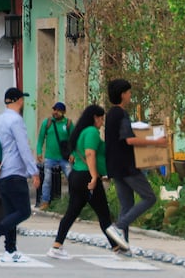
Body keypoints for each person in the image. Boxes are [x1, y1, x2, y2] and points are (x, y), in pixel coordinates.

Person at [47, 104, 125, 259]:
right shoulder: (91, 132)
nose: (102, 122)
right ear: (95, 118)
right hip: (87, 178)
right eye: (101, 118)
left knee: (72, 212)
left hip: (76, 176)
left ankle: (57, 245)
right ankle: (118, 247)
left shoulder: (80, 132)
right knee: (104, 215)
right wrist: (95, 176)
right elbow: (90, 154)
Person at [104, 77, 166, 250]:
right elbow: (129, 140)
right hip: (126, 166)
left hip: (114, 166)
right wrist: (156, 142)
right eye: (129, 92)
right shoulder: (121, 114)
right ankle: (118, 227)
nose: (130, 95)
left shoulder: (110, 115)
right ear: (123, 94)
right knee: (149, 197)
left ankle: (122, 245)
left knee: (127, 205)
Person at [0, 88, 40, 264]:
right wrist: (33, 171)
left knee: (11, 213)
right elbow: (23, 147)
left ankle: (10, 250)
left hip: (0, 173)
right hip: (14, 172)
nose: (23, 102)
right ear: (18, 100)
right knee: (23, 211)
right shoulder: (16, 121)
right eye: (22, 99)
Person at [35, 101, 72, 209]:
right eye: (54, 110)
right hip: (50, 157)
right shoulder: (47, 123)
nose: (55, 112)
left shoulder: (68, 124)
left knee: (72, 179)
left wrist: (73, 154)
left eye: (58, 111)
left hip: (64, 157)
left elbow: (74, 139)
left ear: (63, 112)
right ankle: (45, 201)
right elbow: (41, 139)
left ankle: (72, 201)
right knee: (47, 180)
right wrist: (39, 152)